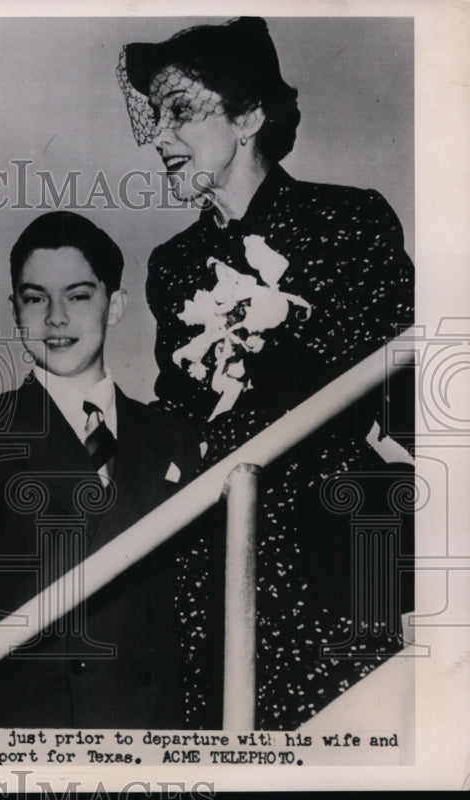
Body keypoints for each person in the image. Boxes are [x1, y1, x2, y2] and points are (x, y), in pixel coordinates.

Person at [117, 17, 415, 728]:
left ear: (249, 115)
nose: (159, 136)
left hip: (339, 554)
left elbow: (408, 402)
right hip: (214, 561)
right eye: (156, 115)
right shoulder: (174, 266)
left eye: (181, 111)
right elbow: (181, 419)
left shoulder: (348, 222)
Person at [0, 211, 200, 728]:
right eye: (35, 298)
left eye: (77, 296)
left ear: (114, 306)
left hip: (154, 736)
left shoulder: (170, 437)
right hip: (35, 741)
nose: (54, 318)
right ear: (15, 311)